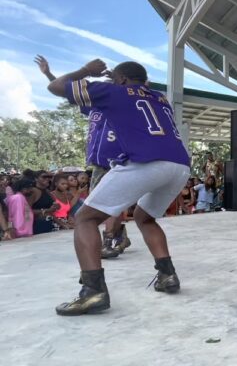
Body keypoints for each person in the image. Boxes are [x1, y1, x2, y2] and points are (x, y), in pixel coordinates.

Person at [47, 59, 191, 316]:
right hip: (179, 164)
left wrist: (86, 72)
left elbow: (56, 86)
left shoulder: (113, 91)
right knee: (145, 218)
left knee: (84, 219)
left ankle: (93, 292)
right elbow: (137, 95)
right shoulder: (160, 98)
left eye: (115, 78)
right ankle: (167, 275)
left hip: (146, 161)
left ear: (122, 80)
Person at [36, 54, 130, 258]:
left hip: (118, 160)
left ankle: (110, 240)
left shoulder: (123, 102)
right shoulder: (93, 106)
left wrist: (119, 78)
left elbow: (138, 88)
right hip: (98, 163)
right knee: (102, 203)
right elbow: (64, 90)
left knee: (108, 202)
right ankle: (119, 235)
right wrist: (49, 74)